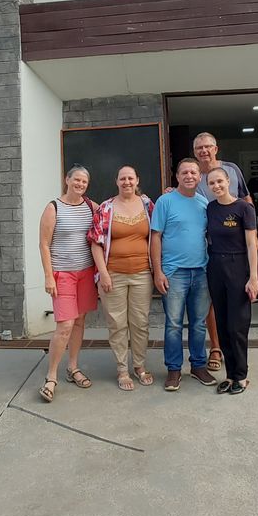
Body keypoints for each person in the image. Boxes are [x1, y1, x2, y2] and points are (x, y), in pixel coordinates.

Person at [150, 157, 215, 392]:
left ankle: (198, 366)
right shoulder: (165, 201)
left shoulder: (204, 203)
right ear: (177, 177)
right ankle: (174, 370)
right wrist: (158, 272)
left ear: (200, 177)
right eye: (184, 172)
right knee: (174, 324)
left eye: (193, 173)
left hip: (201, 271)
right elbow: (155, 237)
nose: (189, 176)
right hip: (174, 272)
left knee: (198, 324)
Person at [88, 166, 155, 391]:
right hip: (113, 274)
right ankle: (122, 369)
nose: (127, 182)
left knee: (140, 322)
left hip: (142, 273)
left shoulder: (148, 206)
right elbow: (95, 242)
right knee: (116, 323)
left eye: (131, 178)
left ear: (137, 181)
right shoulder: (106, 208)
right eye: (122, 178)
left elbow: (157, 236)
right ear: (116, 181)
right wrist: (103, 273)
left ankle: (139, 365)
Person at [38, 165, 98, 403]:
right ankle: (51, 376)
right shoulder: (53, 208)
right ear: (67, 180)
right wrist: (48, 276)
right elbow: (44, 244)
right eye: (77, 180)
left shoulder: (90, 206)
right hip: (62, 274)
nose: (80, 184)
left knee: (80, 321)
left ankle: (72, 368)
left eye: (84, 181)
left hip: (85, 273)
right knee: (65, 325)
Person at [192, 132, 252, 372]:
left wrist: (251, 232)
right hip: (209, 249)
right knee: (212, 303)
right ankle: (216, 348)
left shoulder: (232, 169)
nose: (204, 151)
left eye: (207, 147)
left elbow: (246, 199)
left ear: (216, 148)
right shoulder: (193, 174)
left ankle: (237, 362)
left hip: (236, 248)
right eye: (199, 148)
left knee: (236, 308)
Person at [205, 166, 258, 395]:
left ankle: (242, 375)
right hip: (215, 266)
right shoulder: (210, 208)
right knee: (223, 323)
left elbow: (251, 244)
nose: (216, 186)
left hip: (238, 267)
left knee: (238, 325)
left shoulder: (244, 208)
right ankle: (229, 375)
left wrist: (253, 277)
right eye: (212, 183)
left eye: (220, 181)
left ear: (229, 181)